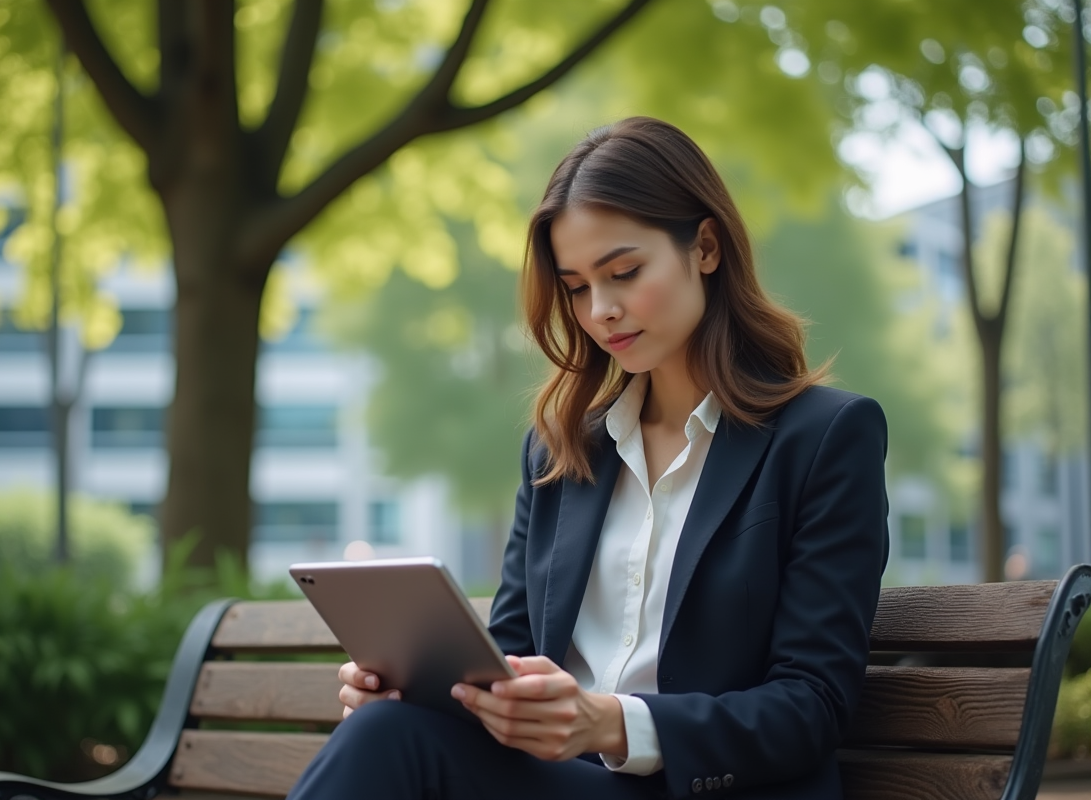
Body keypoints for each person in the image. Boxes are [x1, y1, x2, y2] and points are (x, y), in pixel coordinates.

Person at [286, 116, 889, 800]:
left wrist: (611, 724)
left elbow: (812, 705)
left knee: (384, 750)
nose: (600, 310)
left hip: (711, 790)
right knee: (382, 731)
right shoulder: (560, 451)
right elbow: (503, 668)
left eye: (624, 272)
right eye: (575, 286)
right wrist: (411, 691)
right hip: (565, 787)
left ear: (707, 247)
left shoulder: (825, 437)